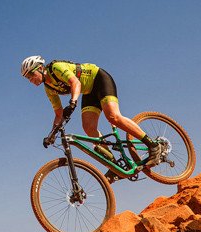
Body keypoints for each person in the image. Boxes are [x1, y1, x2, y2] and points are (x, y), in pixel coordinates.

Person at [20, 56, 161, 169]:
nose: (31, 80)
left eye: (31, 75)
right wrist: (52, 134)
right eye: (27, 78)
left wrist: (73, 102)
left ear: (39, 68)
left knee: (113, 117)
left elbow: (76, 83)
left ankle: (153, 145)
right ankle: (113, 163)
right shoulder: (48, 89)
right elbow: (58, 114)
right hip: (88, 92)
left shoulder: (55, 68)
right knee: (88, 127)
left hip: (99, 79)